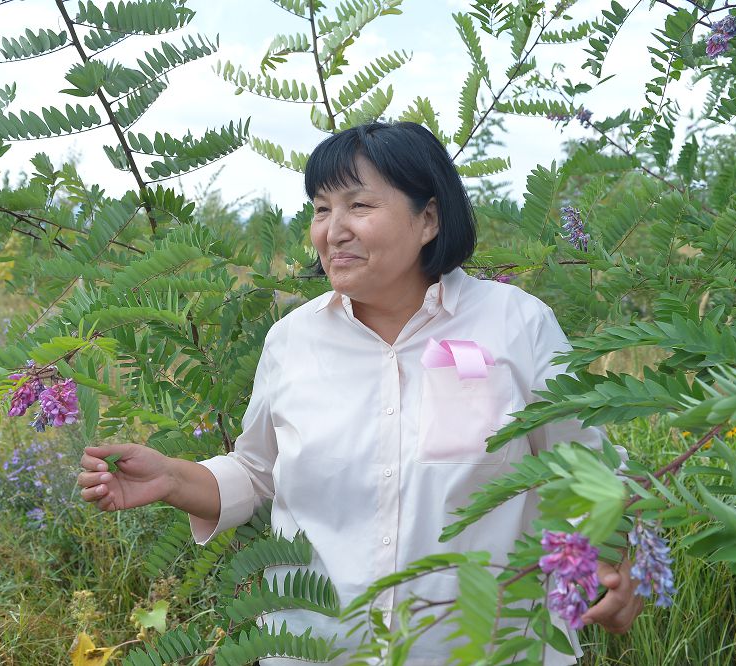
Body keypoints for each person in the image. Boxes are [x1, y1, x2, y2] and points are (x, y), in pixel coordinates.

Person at [78, 122, 643, 664]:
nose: (333, 229)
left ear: (428, 218)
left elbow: (588, 470)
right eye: (322, 209)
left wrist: (629, 558)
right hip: (317, 653)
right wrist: (172, 478)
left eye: (359, 205)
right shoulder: (292, 341)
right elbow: (255, 472)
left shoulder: (515, 325)